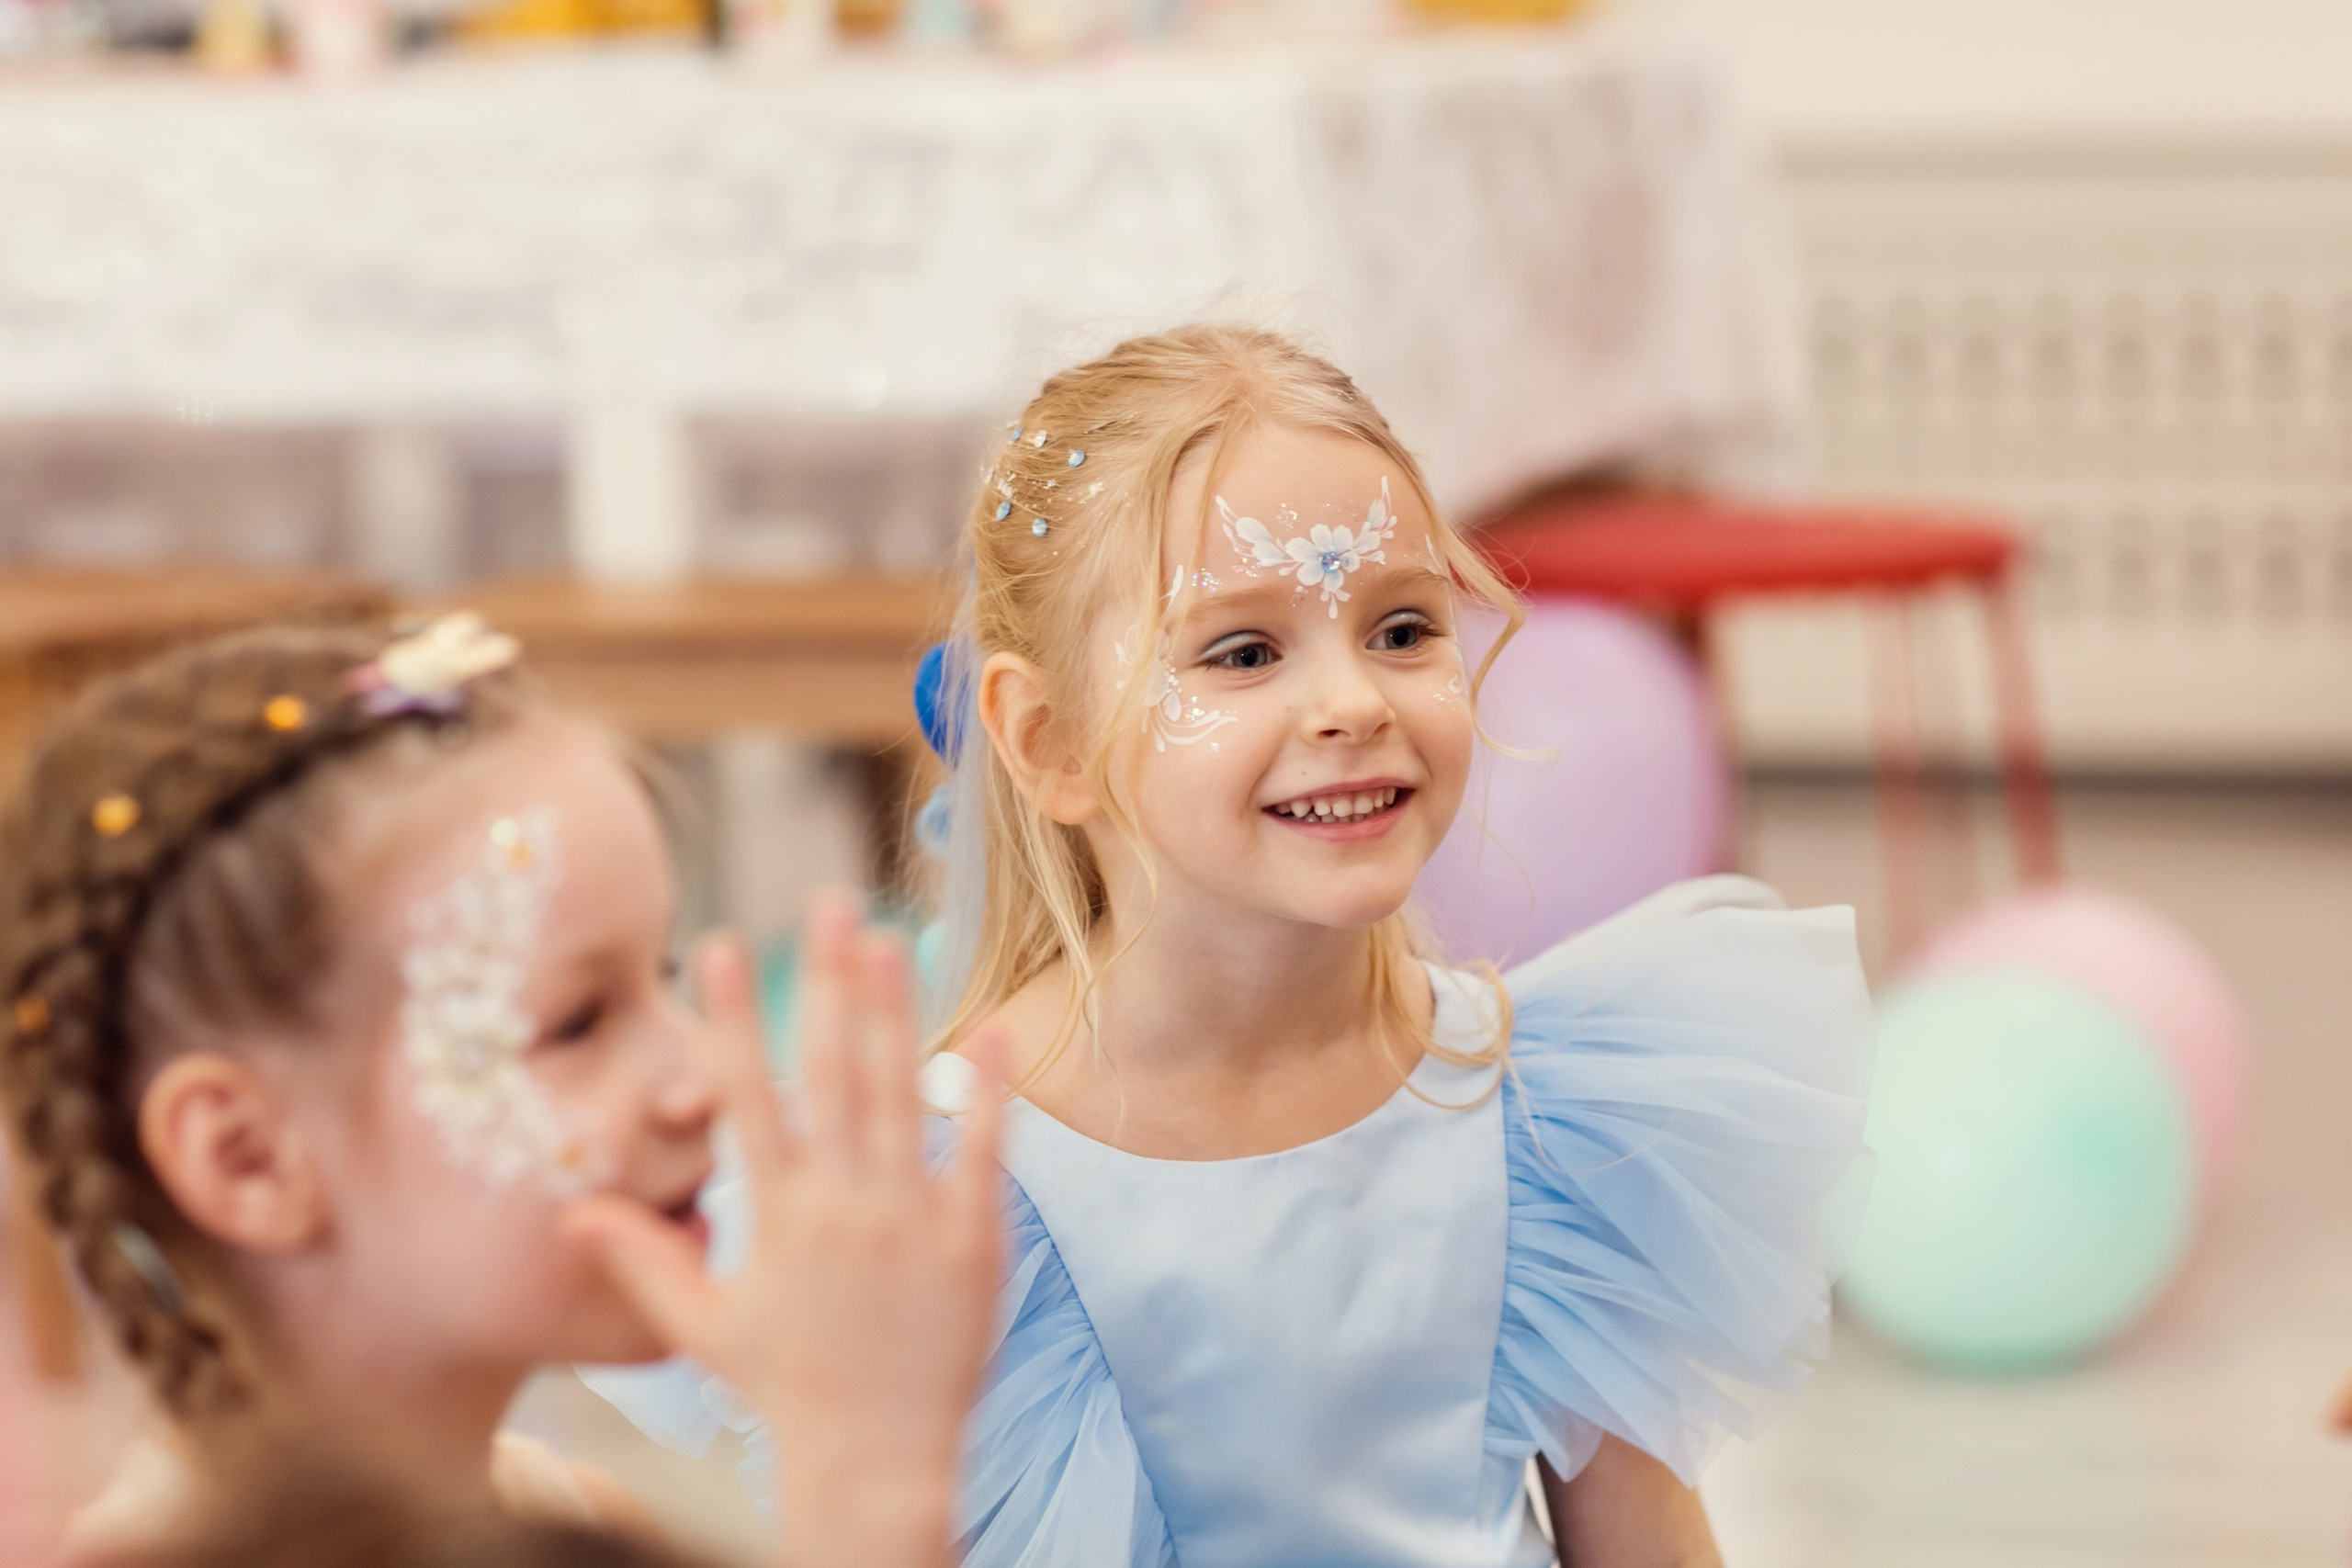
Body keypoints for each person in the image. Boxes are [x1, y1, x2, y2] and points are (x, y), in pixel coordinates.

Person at [597, 323, 1876, 1567]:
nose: (1352, 703)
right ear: (1044, 741)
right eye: (1245, 650)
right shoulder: (955, 1184)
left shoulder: (1553, 1115)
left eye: (1403, 628)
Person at [0, 619, 1004, 1568]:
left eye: (661, 980)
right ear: (247, 1157)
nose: (699, 1082)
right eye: (578, 1022)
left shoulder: (567, 1517)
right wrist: (868, 1489)